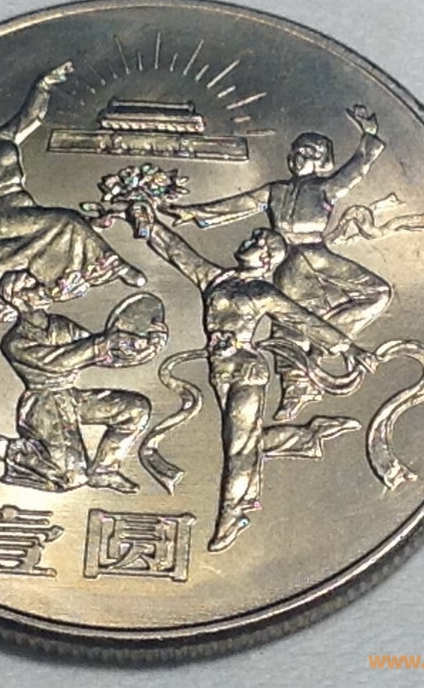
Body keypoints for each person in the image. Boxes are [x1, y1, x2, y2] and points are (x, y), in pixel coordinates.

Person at [126, 203, 375, 551]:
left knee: (239, 447)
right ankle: (307, 437)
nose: (250, 240)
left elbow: (304, 321)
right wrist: (149, 223)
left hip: (248, 371)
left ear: (267, 258)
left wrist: (349, 348)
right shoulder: (216, 279)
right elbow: (178, 252)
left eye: (258, 241)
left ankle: (233, 515)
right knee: (241, 440)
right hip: (219, 370)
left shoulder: (263, 293)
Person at [168, 105, 390, 420]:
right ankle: (297, 387)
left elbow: (354, 171)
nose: (300, 157)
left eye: (309, 153)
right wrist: (195, 213)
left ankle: (321, 343)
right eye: (297, 151)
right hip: (288, 261)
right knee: (289, 323)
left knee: (378, 292)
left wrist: (369, 137)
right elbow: (239, 203)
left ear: (322, 160)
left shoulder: (324, 188)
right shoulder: (276, 190)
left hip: (316, 253)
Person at [0, 62, 145, 356]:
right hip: (0, 216)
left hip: (23, 207)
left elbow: (31, 116)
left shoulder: (1, 138)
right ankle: (114, 266)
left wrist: (42, 86)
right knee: (66, 221)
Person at [0, 271, 157, 494]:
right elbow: (59, 361)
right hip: (44, 405)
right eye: (31, 287)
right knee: (70, 477)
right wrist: (106, 343)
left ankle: (104, 470)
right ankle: (5, 448)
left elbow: (101, 354)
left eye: (37, 283)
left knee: (135, 408)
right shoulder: (14, 341)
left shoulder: (61, 325)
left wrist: (140, 350)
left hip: (71, 396)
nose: (41, 288)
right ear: (18, 299)